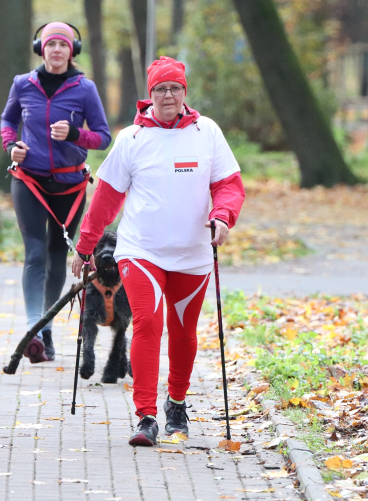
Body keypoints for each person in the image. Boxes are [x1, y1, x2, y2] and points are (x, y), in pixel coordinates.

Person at [71, 56, 245, 446]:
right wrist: (84, 249)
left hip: (194, 253)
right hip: (141, 250)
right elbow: (105, 200)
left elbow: (229, 185)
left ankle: (177, 403)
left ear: (185, 92)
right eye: (161, 89)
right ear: (149, 95)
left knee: (183, 333)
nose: (168, 95)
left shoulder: (207, 132)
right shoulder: (132, 138)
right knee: (148, 324)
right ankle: (145, 415)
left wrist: (223, 217)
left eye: (175, 88)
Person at [1, 22, 111, 363]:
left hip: (69, 185)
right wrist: (12, 146)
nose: (57, 50)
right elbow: (8, 122)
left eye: (64, 45)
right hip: (29, 181)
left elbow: (103, 137)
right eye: (51, 45)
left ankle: (46, 332)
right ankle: (34, 329)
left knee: (55, 255)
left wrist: (76, 134)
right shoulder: (23, 84)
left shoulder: (85, 88)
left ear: (72, 51)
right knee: (34, 254)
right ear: (41, 48)